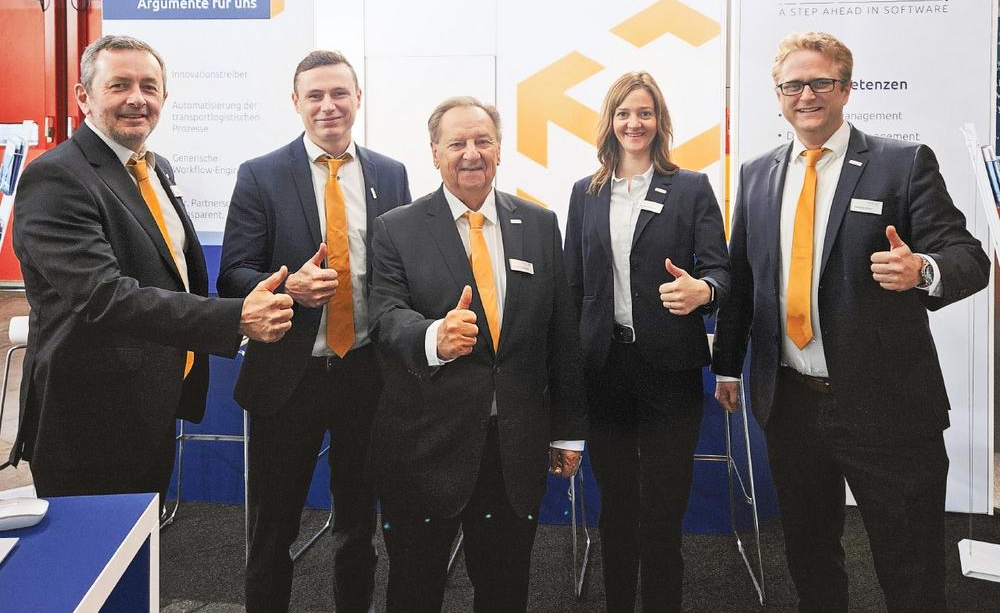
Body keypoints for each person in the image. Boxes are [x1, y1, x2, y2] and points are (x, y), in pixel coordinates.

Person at [712, 31, 990, 612]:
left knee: (910, 567)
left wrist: (923, 270)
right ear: (778, 95)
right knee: (810, 558)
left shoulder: (901, 163)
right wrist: (728, 367)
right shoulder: (758, 173)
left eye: (821, 82)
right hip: (791, 404)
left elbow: (969, 258)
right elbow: (743, 278)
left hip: (887, 407)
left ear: (845, 88)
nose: (806, 95)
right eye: (793, 85)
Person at [9, 34, 293, 500]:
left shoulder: (154, 168)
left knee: (144, 536)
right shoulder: (56, 177)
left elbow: (166, 272)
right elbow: (103, 296)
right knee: (98, 543)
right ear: (84, 96)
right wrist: (235, 316)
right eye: (119, 85)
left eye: (149, 86)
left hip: (152, 397)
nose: (137, 98)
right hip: (89, 416)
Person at [366, 96, 588, 613]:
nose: (471, 153)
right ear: (434, 153)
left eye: (483, 141)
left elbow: (561, 334)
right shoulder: (397, 227)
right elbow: (384, 316)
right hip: (426, 449)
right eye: (457, 143)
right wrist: (433, 337)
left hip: (512, 450)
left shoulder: (539, 223)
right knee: (414, 592)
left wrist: (567, 431)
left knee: (505, 591)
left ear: (499, 149)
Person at [217, 50, 410, 613]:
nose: (329, 105)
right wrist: (288, 288)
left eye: (339, 93)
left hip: (366, 373)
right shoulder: (261, 174)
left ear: (358, 98)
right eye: (316, 95)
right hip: (289, 377)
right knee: (273, 528)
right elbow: (233, 273)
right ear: (296, 102)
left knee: (358, 524)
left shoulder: (390, 173)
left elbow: (401, 269)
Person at [563, 71, 729, 612]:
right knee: (615, 507)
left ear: (660, 122)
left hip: (668, 370)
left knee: (663, 510)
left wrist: (703, 290)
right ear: (609, 121)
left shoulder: (690, 187)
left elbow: (722, 272)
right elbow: (572, 285)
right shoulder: (585, 193)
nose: (634, 123)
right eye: (624, 113)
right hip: (604, 368)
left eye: (645, 113)